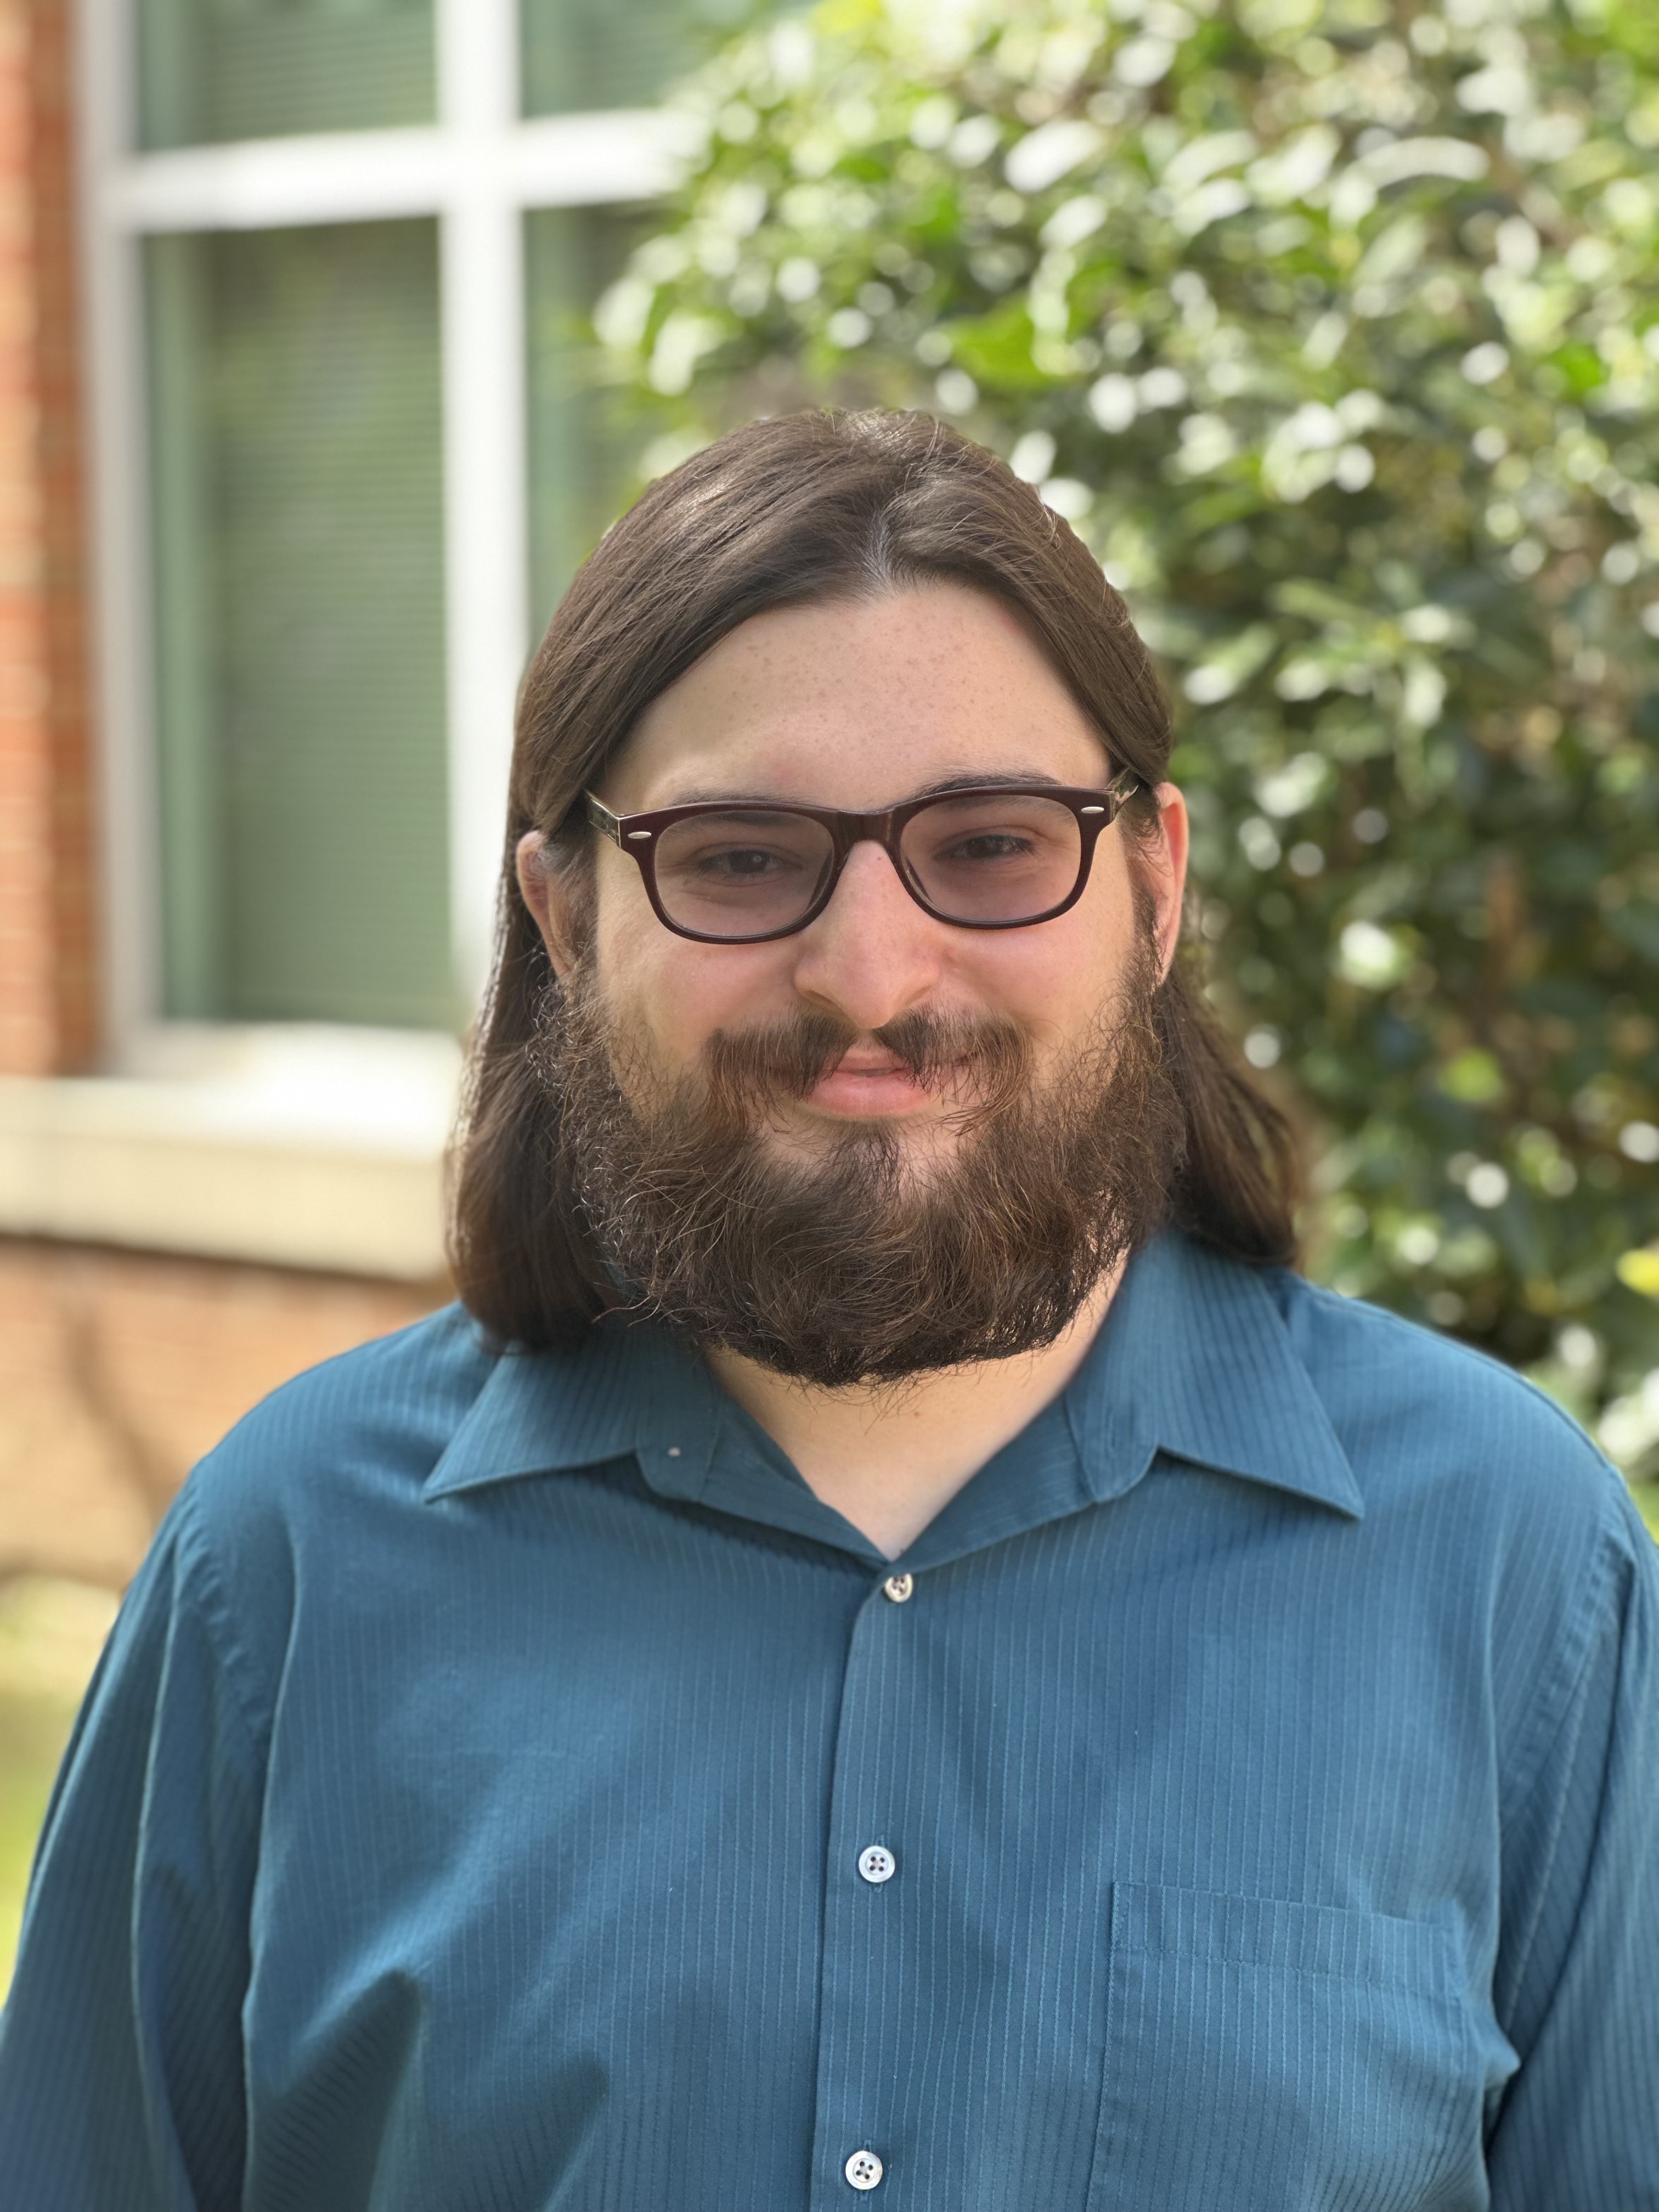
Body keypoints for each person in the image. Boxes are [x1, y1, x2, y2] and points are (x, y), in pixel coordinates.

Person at [2, 409, 1655, 2211]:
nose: (871, 974)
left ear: (1157, 887)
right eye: (735, 857)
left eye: (997, 845)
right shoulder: (285, 1563)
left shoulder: (1507, 1559)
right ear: (564, 922)